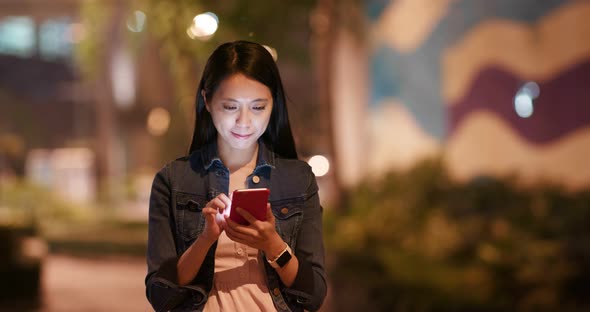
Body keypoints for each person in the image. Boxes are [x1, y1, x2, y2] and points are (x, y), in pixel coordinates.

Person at [145, 40, 327, 312]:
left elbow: (314, 295)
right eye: (230, 107)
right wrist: (206, 238)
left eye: (257, 107)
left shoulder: (298, 180)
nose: (244, 121)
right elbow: (161, 296)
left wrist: (272, 243)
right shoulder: (174, 180)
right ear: (206, 100)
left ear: (273, 104)